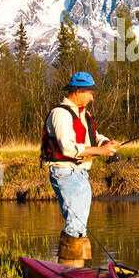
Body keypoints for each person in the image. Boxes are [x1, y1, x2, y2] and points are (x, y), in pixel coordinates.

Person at [40, 72, 120, 264]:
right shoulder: (60, 114)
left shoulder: (83, 113)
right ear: (77, 91)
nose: (92, 97)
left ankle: (75, 268)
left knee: (80, 225)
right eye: (90, 93)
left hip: (80, 173)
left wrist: (106, 142)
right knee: (75, 225)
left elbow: (92, 136)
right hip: (65, 172)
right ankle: (68, 271)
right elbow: (66, 147)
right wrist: (100, 152)